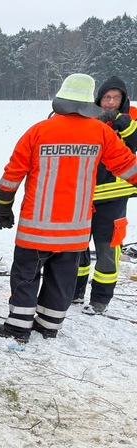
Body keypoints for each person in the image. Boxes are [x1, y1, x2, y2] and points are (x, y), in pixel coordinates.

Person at [0, 73, 137, 343]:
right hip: (75, 229)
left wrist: (3, 206)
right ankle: (48, 325)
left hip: (36, 227)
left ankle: (18, 327)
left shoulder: (39, 130)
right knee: (62, 277)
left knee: (26, 275)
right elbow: (129, 168)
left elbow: (12, 175)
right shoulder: (101, 132)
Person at [73, 76, 137, 314]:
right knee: (77, 247)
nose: (110, 103)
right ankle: (74, 292)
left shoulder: (132, 117)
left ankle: (101, 299)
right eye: (106, 97)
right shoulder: (89, 117)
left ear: (123, 100)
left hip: (115, 196)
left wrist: (126, 125)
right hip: (84, 194)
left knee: (107, 250)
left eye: (115, 98)